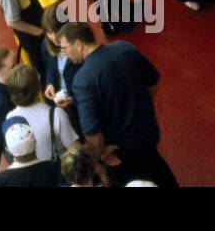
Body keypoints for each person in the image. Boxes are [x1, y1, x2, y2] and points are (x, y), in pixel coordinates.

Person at [60, 22, 177, 186]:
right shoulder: (124, 48)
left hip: (121, 152)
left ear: (78, 44)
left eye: (65, 48)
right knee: (159, 171)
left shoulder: (82, 81)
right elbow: (153, 81)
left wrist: (101, 153)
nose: (65, 54)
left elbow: (92, 132)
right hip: (148, 132)